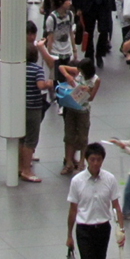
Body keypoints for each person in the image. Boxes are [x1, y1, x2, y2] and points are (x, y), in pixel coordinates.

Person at [58, 58, 101, 174]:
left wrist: (86, 91)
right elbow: (61, 67)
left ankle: (82, 163)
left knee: (82, 137)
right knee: (69, 135)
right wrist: (68, 76)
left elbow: (91, 97)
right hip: (71, 107)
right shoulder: (77, 73)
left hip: (83, 110)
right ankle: (68, 162)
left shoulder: (95, 80)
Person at [21, 42, 51, 182]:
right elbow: (40, 85)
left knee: (21, 138)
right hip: (33, 108)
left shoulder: (19, 68)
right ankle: (27, 170)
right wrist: (48, 83)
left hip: (21, 108)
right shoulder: (37, 69)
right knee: (31, 140)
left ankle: (19, 167)